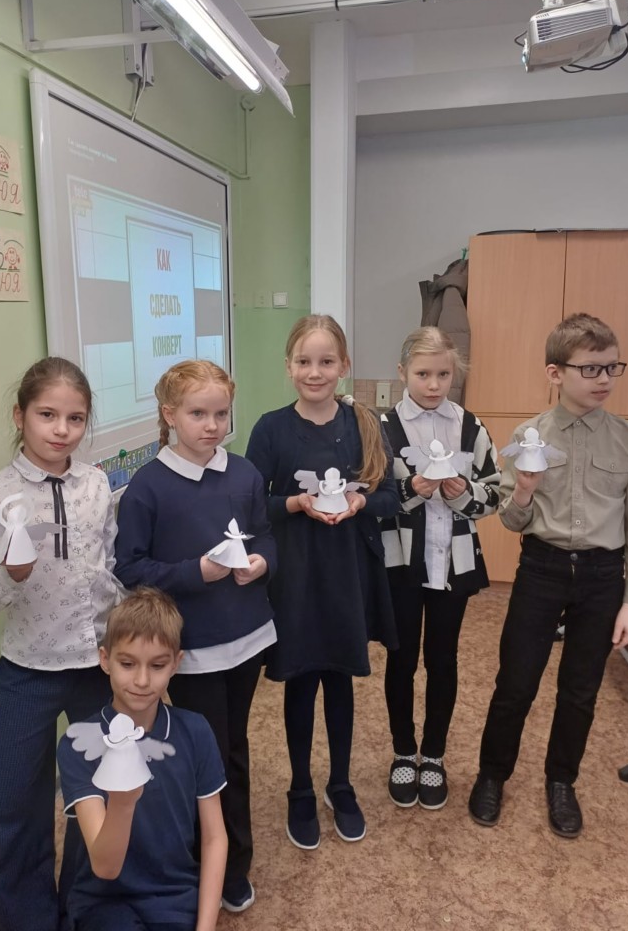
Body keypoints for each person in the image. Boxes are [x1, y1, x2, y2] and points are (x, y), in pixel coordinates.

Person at [0, 357, 122, 931]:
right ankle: (26, 919)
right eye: (47, 415)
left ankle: (83, 910)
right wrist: (11, 575)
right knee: (12, 804)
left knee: (99, 795)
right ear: (19, 416)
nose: (61, 430)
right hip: (27, 668)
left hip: (96, 666)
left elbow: (108, 569)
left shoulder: (97, 484)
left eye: (75, 418)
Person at [468, 313, 628, 838]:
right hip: (541, 569)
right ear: (555, 372)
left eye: (611, 367)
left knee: (580, 691)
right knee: (515, 683)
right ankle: (492, 774)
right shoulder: (529, 436)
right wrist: (523, 490)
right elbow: (512, 521)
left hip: (603, 576)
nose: (604, 379)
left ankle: (561, 781)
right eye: (590, 368)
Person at [114, 360, 276, 914]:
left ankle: (234, 861)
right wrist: (196, 573)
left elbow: (266, 536)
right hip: (192, 650)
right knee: (203, 755)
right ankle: (201, 859)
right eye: (198, 414)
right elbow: (130, 567)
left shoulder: (244, 473)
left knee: (234, 747)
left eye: (221, 414)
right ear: (169, 415)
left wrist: (262, 563)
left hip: (247, 638)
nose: (212, 425)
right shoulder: (148, 486)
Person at [245, 314, 399, 850]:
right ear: (288, 367)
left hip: (347, 572)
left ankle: (340, 783)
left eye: (326, 361)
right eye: (304, 361)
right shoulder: (270, 428)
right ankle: (300, 788)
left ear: (344, 366)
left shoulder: (364, 424)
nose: (315, 372)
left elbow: (389, 496)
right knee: (301, 676)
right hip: (296, 574)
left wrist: (359, 500)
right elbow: (251, 503)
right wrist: (292, 503)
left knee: (339, 676)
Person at [57, 588, 228, 931]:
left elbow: (215, 839)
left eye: (157, 665)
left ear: (176, 663)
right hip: (103, 902)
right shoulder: (78, 745)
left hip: (173, 898)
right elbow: (105, 867)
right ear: (105, 660)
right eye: (127, 664)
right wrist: (122, 802)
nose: (141, 680)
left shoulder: (195, 732)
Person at [380, 327, 500, 810]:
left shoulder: (471, 426)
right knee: (401, 659)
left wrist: (465, 494)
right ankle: (402, 751)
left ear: (455, 374)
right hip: (401, 564)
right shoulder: (383, 428)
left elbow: (495, 492)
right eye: (423, 374)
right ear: (403, 373)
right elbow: (371, 496)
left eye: (443, 375)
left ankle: (433, 754)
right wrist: (410, 491)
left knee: (443, 660)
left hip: (454, 563)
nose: (433, 384)